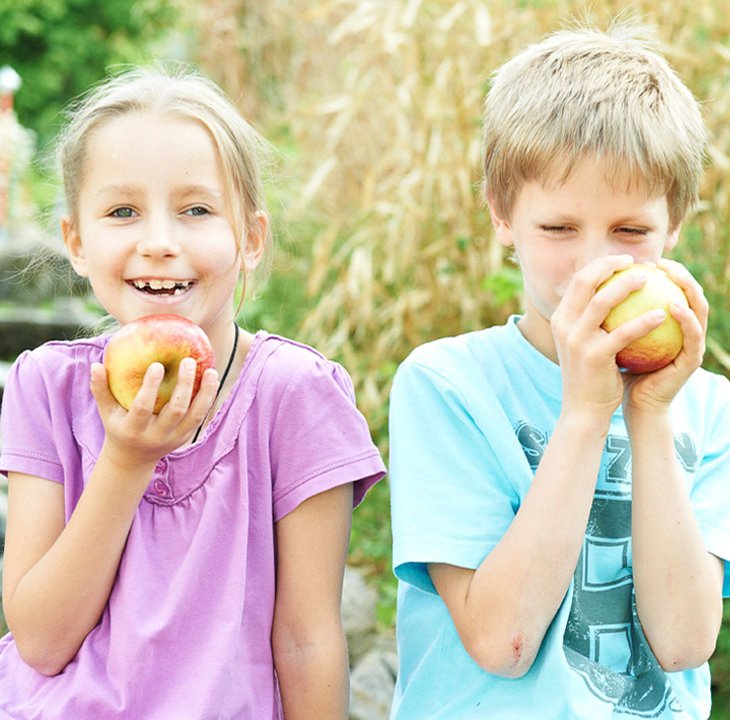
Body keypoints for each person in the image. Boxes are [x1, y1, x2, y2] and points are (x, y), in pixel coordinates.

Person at [0, 65, 386, 720]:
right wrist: (124, 462)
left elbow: (307, 638)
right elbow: (39, 640)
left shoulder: (294, 396)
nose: (158, 243)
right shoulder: (46, 387)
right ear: (76, 243)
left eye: (197, 210)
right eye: (122, 212)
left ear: (251, 238)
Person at [388, 19, 730, 720]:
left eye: (630, 232)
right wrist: (583, 413)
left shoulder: (710, 407)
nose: (596, 262)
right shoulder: (448, 385)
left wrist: (650, 414)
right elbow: (500, 641)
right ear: (502, 214)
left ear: (674, 226)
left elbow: (684, 642)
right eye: (558, 228)